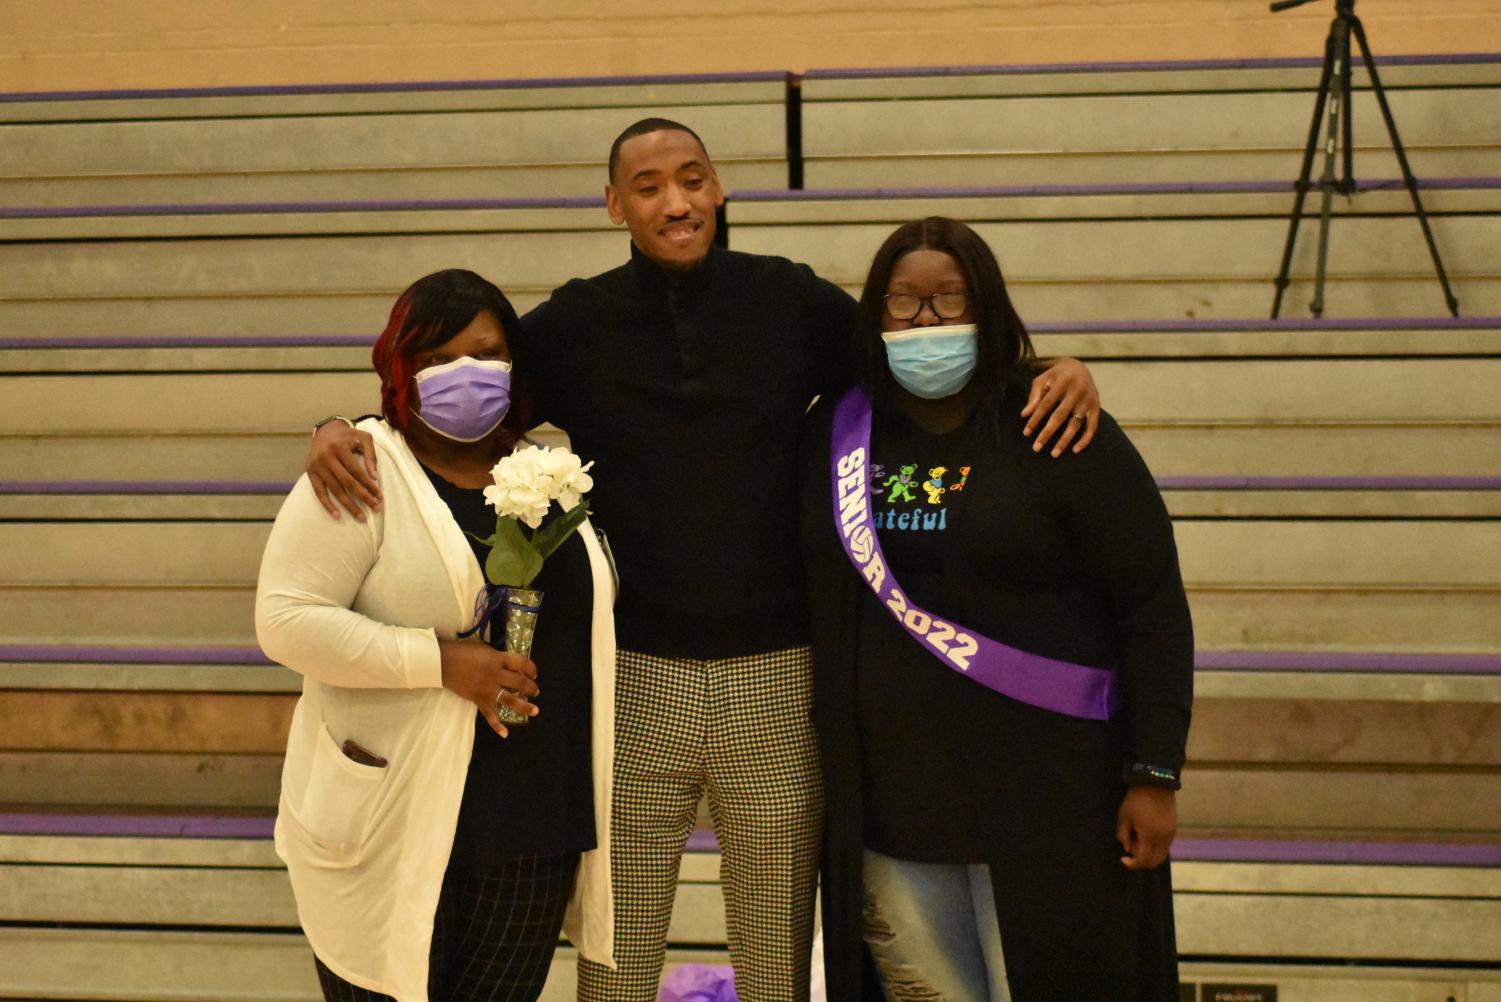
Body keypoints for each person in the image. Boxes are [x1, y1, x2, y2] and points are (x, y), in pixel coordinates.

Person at [303, 121, 1102, 1002]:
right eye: (647, 186)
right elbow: (462, 392)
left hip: (776, 679)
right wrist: (343, 426)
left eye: (691, 179)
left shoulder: (791, 302)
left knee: (776, 964)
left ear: (719, 188)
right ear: (614, 205)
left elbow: (915, 367)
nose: (674, 201)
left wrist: (1050, 370)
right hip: (634, 682)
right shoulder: (573, 324)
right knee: (616, 961)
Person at [800, 216, 1194, 1001]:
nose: (926, 323)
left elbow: (1150, 604)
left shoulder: (1057, 421)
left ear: (987, 307)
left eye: (948, 301)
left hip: (1055, 804)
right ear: (873, 316)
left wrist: (1153, 772)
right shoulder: (835, 435)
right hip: (892, 811)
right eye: (904, 304)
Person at [256, 269, 618, 1002]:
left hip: (533, 828)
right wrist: (440, 663)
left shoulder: (545, 472)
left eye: (486, 354)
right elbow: (286, 621)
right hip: (393, 822)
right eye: (436, 360)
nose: (466, 375)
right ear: (400, 370)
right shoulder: (359, 470)